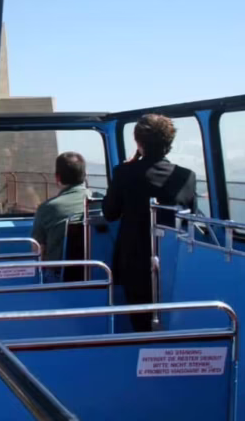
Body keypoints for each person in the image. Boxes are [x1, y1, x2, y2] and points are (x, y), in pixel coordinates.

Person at [103, 114, 197, 331]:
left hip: (134, 260)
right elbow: (189, 216)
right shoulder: (187, 176)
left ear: (138, 143)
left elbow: (110, 213)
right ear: (169, 143)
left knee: (140, 319)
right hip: (174, 259)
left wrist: (127, 170)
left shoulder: (125, 173)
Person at [31, 152, 88, 279]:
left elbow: (37, 251)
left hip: (60, 276)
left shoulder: (47, 208)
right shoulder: (100, 202)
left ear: (57, 177)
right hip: (99, 273)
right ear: (85, 175)